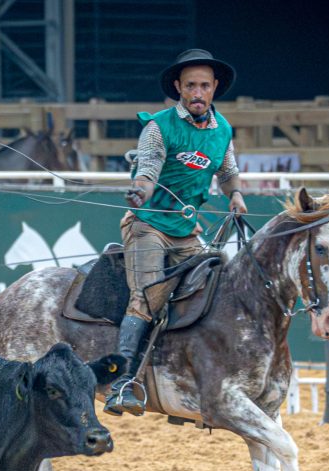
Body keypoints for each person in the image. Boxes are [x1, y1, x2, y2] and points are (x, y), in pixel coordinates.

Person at [104, 48, 247, 417]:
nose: (198, 93)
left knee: (215, 288)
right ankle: (122, 383)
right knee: (148, 297)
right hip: (148, 225)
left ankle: (187, 379)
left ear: (215, 87)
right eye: (190, 86)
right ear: (178, 88)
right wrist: (140, 191)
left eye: (204, 85)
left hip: (186, 231)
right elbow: (148, 171)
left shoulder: (223, 130)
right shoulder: (159, 127)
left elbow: (227, 171)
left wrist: (236, 194)